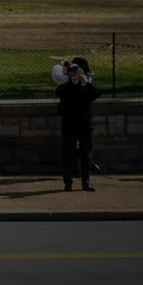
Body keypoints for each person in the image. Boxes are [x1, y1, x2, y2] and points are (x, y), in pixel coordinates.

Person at [58, 60, 99, 190]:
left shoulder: (86, 87)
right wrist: (72, 84)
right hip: (69, 125)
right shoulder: (65, 87)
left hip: (85, 125)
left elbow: (97, 94)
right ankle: (68, 182)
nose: (74, 76)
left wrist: (86, 83)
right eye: (72, 74)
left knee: (86, 155)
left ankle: (86, 182)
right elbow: (60, 93)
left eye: (76, 73)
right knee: (68, 155)